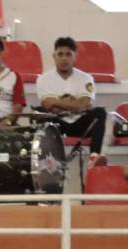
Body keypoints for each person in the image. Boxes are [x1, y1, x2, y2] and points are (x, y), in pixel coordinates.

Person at [37, 36, 109, 166]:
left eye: (68, 54)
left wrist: (58, 103)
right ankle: (48, 160)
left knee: (100, 112)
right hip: (57, 124)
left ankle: (94, 156)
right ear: (54, 56)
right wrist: (75, 106)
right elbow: (48, 104)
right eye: (60, 54)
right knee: (40, 115)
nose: (64, 58)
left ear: (75, 57)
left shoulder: (86, 78)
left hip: (80, 124)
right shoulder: (43, 79)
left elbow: (84, 104)